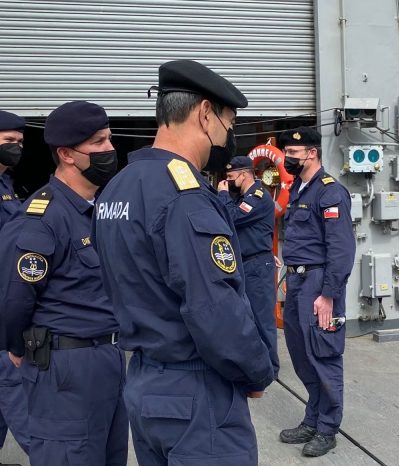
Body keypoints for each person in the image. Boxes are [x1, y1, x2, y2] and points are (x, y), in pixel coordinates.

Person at [93, 59, 274, 466]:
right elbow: (214, 307)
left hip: (143, 382)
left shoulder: (118, 187)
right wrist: (256, 370)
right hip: (196, 391)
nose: (227, 138)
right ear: (205, 114)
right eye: (228, 125)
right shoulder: (185, 197)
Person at [0, 101, 127, 466]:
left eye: (109, 139)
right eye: (98, 143)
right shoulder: (43, 218)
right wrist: (18, 348)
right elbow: (14, 300)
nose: (109, 149)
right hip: (65, 368)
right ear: (67, 154)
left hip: (108, 359)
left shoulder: (95, 211)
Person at [277, 127, 355, 457]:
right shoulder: (299, 189)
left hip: (318, 284)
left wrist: (329, 294)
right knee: (301, 353)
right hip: (296, 282)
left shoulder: (329, 192)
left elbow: (341, 247)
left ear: (312, 154)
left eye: (293, 155)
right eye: (287, 155)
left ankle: (327, 428)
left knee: (323, 354)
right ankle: (312, 418)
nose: (288, 160)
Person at [218, 155, 279, 378]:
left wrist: (223, 195)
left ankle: (270, 369)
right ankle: (254, 365)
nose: (228, 181)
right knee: (246, 319)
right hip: (245, 264)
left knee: (263, 320)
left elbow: (231, 217)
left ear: (244, 175)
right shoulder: (243, 197)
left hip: (257, 265)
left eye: (231, 177)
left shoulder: (258, 196)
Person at [0, 110, 30, 460]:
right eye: (9, 142)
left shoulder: (9, 185)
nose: (17, 148)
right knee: (31, 426)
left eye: (20, 143)